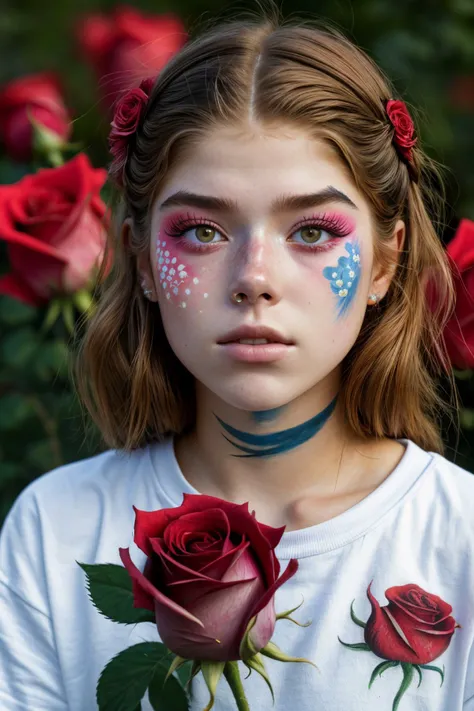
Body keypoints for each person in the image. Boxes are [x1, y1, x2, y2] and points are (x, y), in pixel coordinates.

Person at [1, 7, 473, 711]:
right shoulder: (56, 530)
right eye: (201, 230)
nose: (254, 276)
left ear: (385, 259)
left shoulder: (460, 540)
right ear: (143, 260)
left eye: (312, 229)